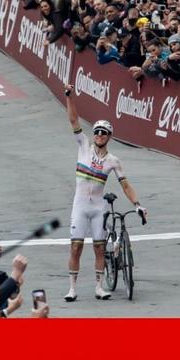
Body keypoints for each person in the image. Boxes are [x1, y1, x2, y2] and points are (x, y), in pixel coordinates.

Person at [62, 84, 147, 302]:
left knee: (99, 249)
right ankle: (72, 288)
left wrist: (137, 204)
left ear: (109, 136)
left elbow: (125, 185)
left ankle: (99, 287)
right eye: (97, 132)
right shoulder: (84, 147)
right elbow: (73, 120)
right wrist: (70, 97)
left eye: (104, 133)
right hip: (80, 206)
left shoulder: (113, 161)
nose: (99, 135)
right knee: (75, 247)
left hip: (97, 207)